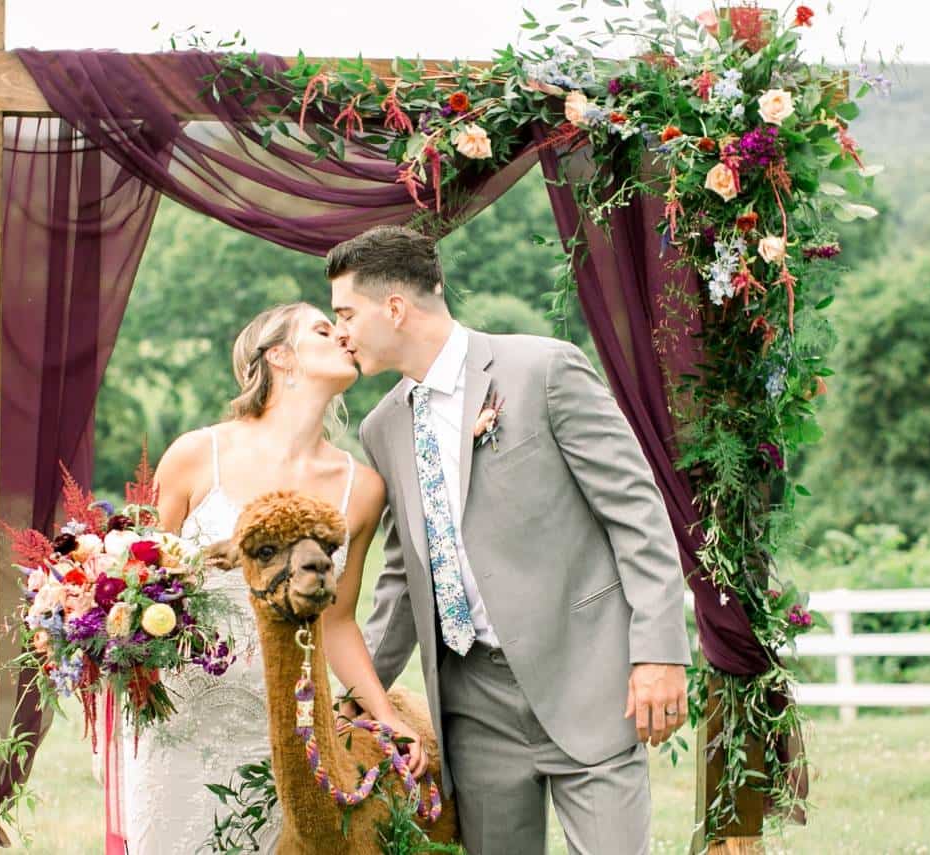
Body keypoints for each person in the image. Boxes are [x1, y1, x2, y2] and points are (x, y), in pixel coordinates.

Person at [327, 225, 692, 854]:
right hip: (472, 704)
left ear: (393, 308)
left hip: (587, 674)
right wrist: (361, 695)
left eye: (345, 313)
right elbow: (401, 575)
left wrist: (659, 651)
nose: (340, 333)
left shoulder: (543, 369)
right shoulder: (382, 427)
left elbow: (638, 512)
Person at [120, 302, 425, 854]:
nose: (345, 338)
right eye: (324, 329)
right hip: (181, 722)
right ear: (280, 355)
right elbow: (134, 587)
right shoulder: (196, 455)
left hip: (286, 725)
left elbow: (337, 624)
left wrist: (387, 717)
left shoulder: (362, 487)